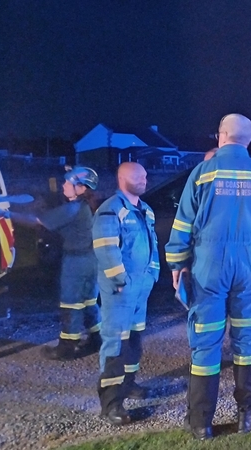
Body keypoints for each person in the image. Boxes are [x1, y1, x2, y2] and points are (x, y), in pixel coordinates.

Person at [166, 113, 251, 439]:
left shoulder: (202, 173)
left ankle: (200, 423)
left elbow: (182, 225)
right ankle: (246, 416)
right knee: (248, 341)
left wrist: (178, 264)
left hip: (209, 267)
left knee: (206, 343)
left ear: (221, 136)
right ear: (248, 140)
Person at [10, 166, 102, 360]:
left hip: (76, 262)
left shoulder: (73, 208)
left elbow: (35, 221)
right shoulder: (87, 207)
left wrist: (1, 213)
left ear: (81, 188)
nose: (64, 185)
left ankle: (67, 347)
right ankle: (97, 338)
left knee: (71, 303)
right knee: (89, 301)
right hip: (91, 260)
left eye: (68, 182)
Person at [92, 162, 160, 425]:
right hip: (120, 292)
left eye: (145, 174)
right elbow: (106, 248)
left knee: (133, 340)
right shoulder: (111, 210)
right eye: (138, 174)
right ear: (122, 178)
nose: (144, 178)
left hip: (140, 289)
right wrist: (120, 280)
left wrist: (152, 275)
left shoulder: (145, 210)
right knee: (115, 343)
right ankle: (111, 404)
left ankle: (129, 384)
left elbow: (152, 246)